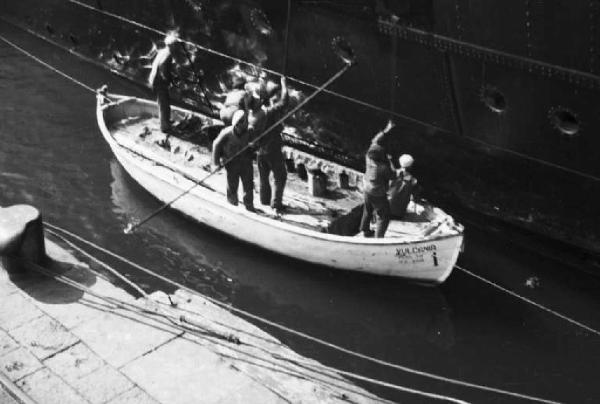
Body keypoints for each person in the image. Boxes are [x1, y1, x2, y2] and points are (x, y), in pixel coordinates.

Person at [247, 76, 289, 212]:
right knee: (280, 176)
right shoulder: (266, 114)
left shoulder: (251, 116)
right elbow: (284, 102)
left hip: (260, 151)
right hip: (272, 150)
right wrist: (283, 83)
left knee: (263, 177)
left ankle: (264, 200)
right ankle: (276, 204)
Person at [211, 109, 255, 211]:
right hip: (232, 163)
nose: (242, 127)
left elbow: (257, 143)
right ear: (236, 125)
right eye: (240, 124)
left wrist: (254, 146)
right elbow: (216, 145)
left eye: (244, 123)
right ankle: (232, 204)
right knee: (232, 184)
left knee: (248, 185)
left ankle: (249, 207)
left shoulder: (250, 131)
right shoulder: (226, 133)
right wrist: (215, 163)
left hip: (246, 163)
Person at [359, 120, 396, 238]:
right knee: (383, 216)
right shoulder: (383, 168)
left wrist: (386, 130)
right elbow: (394, 176)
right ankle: (378, 238)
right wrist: (390, 160)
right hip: (377, 194)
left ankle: (365, 230)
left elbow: (375, 141)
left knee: (367, 210)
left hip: (366, 189)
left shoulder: (368, 158)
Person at [148, 33, 178, 133]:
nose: (176, 47)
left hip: (154, 79)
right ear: (172, 45)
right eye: (175, 45)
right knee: (164, 104)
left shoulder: (162, 51)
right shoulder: (169, 55)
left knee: (163, 103)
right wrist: (170, 82)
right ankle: (164, 127)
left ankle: (165, 122)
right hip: (159, 82)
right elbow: (164, 69)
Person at [389, 154, 420, 219]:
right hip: (399, 214)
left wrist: (389, 160)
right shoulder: (413, 180)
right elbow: (415, 197)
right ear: (411, 166)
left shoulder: (393, 174)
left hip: (385, 210)